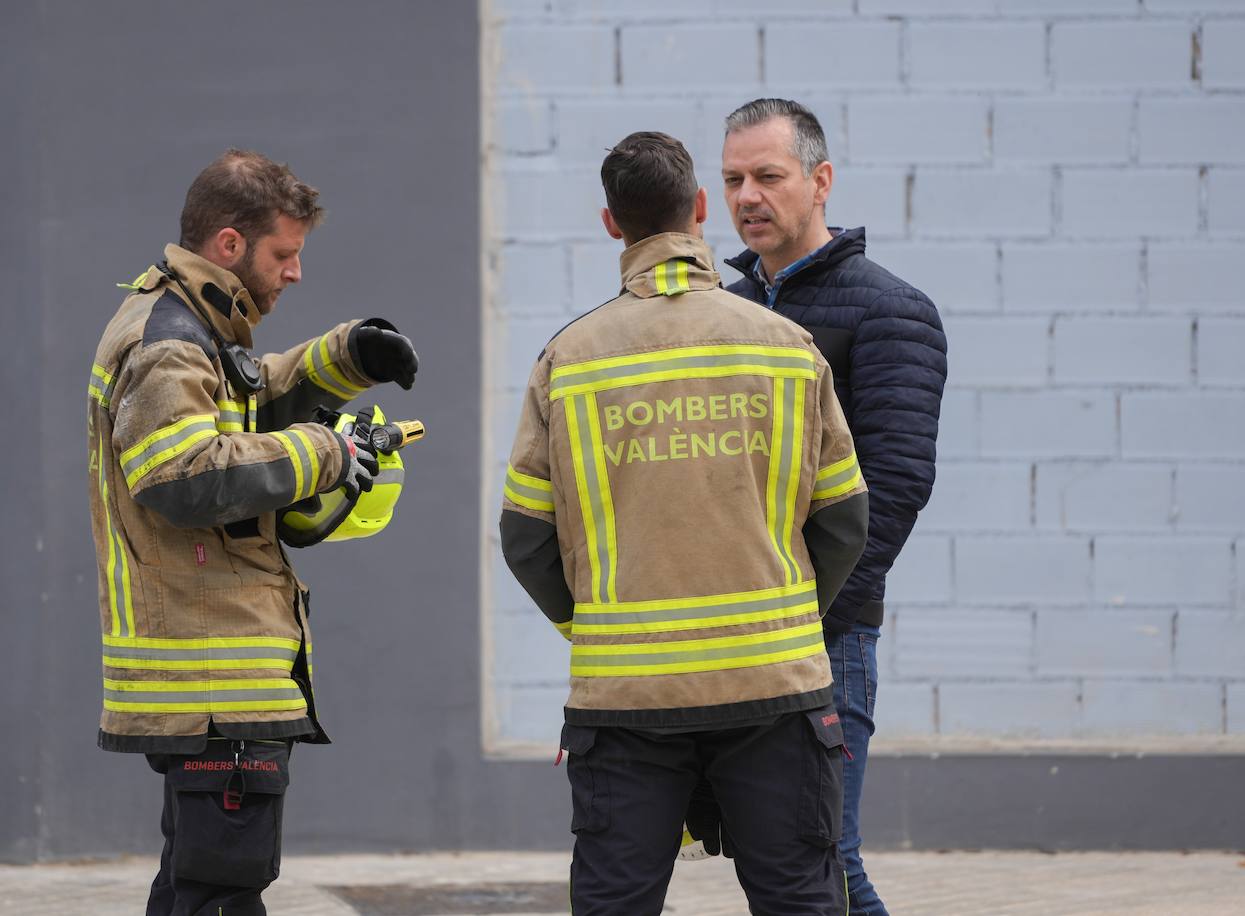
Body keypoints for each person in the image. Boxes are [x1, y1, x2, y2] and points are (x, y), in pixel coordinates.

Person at [500, 131, 870, 915]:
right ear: (701, 210)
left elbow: (525, 536)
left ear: (612, 224)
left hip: (626, 698)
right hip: (773, 688)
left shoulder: (569, 360)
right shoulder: (787, 347)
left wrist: (602, 623)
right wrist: (790, 618)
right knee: (800, 899)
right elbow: (843, 519)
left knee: (616, 902)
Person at [86, 148, 419, 916]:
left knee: (195, 888)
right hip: (214, 678)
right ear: (230, 246)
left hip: (215, 680)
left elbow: (247, 394)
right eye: (285, 254)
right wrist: (331, 451)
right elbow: (187, 474)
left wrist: (344, 358)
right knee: (219, 893)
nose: (295, 273)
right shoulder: (167, 340)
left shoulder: (189, 325)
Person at [720, 99, 948, 916]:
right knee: (785, 857)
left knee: (823, 854)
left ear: (820, 182)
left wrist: (811, 609)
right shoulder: (724, 312)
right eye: (733, 179)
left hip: (827, 634)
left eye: (768, 176)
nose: (748, 195)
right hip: (734, 632)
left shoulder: (890, 311)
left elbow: (894, 487)